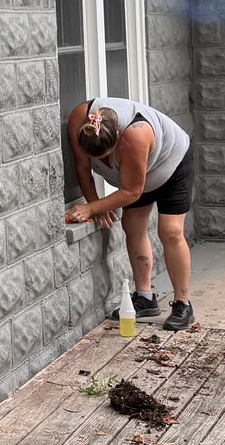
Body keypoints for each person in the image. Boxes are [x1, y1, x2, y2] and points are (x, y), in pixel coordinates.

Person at [63, 96, 196, 331]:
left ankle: (183, 304)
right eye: (98, 160)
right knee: (132, 226)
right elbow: (82, 167)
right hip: (134, 174)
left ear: (117, 137)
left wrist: (92, 208)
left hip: (172, 163)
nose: (103, 163)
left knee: (170, 231)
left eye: (106, 156)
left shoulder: (135, 135)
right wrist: (94, 203)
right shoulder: (80, 121)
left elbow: (132, 191)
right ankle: (145, 298)